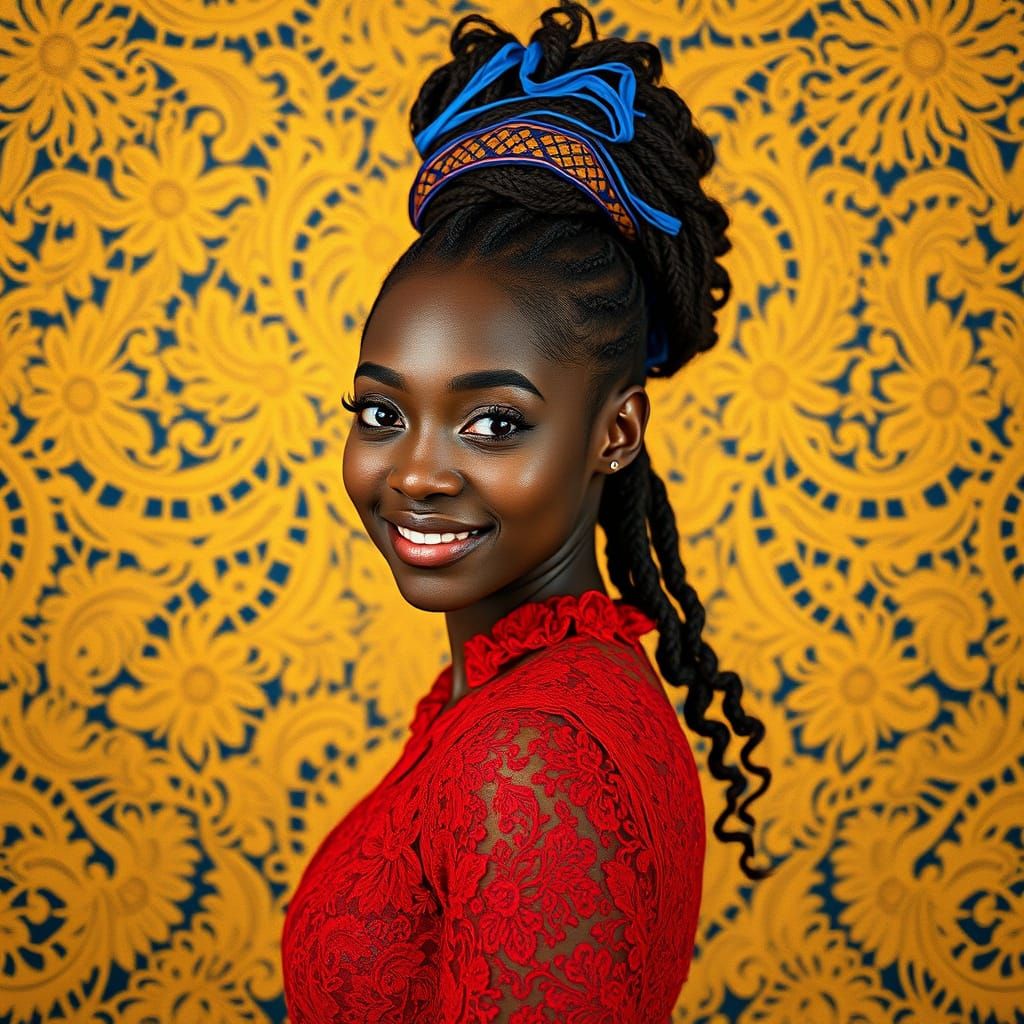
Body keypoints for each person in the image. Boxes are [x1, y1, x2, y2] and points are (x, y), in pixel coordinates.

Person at [281, 3, 772, 1020]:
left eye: (492, 423)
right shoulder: (511, 694)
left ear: (615, 432)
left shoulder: (531, 754)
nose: (415, 472)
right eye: (382, 409)